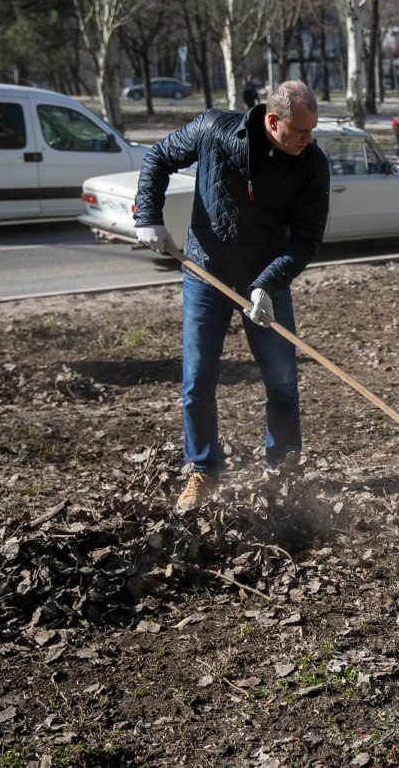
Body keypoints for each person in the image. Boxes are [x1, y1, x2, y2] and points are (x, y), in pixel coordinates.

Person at [133, 80, 330, 512]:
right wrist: (147, 215)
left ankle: (283, 471)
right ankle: (202, 471)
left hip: (266, 281)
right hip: (206, 273)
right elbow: (159, 157)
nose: (309, 139)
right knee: (198, 379)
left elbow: (306, 240)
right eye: (301, 131)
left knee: (282, 380)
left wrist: (268, 283)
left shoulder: (312, 164)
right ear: (272, 121)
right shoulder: (213, 130)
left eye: (312, 129)